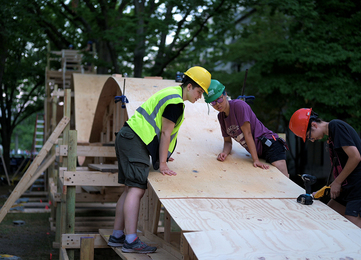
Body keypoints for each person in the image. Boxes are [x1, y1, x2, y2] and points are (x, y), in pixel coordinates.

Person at [108, 66, 211, 253]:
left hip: (129, 137)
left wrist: (161, 157)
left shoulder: (171, 93)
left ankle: (117, 235)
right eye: (199, 91)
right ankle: (130, 240)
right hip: (135, 140)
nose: (200, 96)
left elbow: (156, 127)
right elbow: (165, 133)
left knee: (130, 188)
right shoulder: (176, 103)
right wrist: (162, 164)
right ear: (189, 86)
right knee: (137, 189)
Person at [289, 108, 361, 228]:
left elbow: (355, 157)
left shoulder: (336, 126)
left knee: (353, 234)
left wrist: (337, 182)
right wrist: (326, 189)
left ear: (314, 125)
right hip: (350, 185)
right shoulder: (331, 137)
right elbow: (342, 168)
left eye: (309, 136)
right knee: (327, 220)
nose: (312, 141)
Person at [203, 80, 289, 178]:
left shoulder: (239, 106)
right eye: (213, 102)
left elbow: (247, 134)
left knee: (283, 179)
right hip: (258, 152)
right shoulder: (221, 117)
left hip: (271, 145)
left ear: (225, 94)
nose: (217, 104)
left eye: (219, 99)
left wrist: (255, 160)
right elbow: (227, 142)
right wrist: (224, 153)